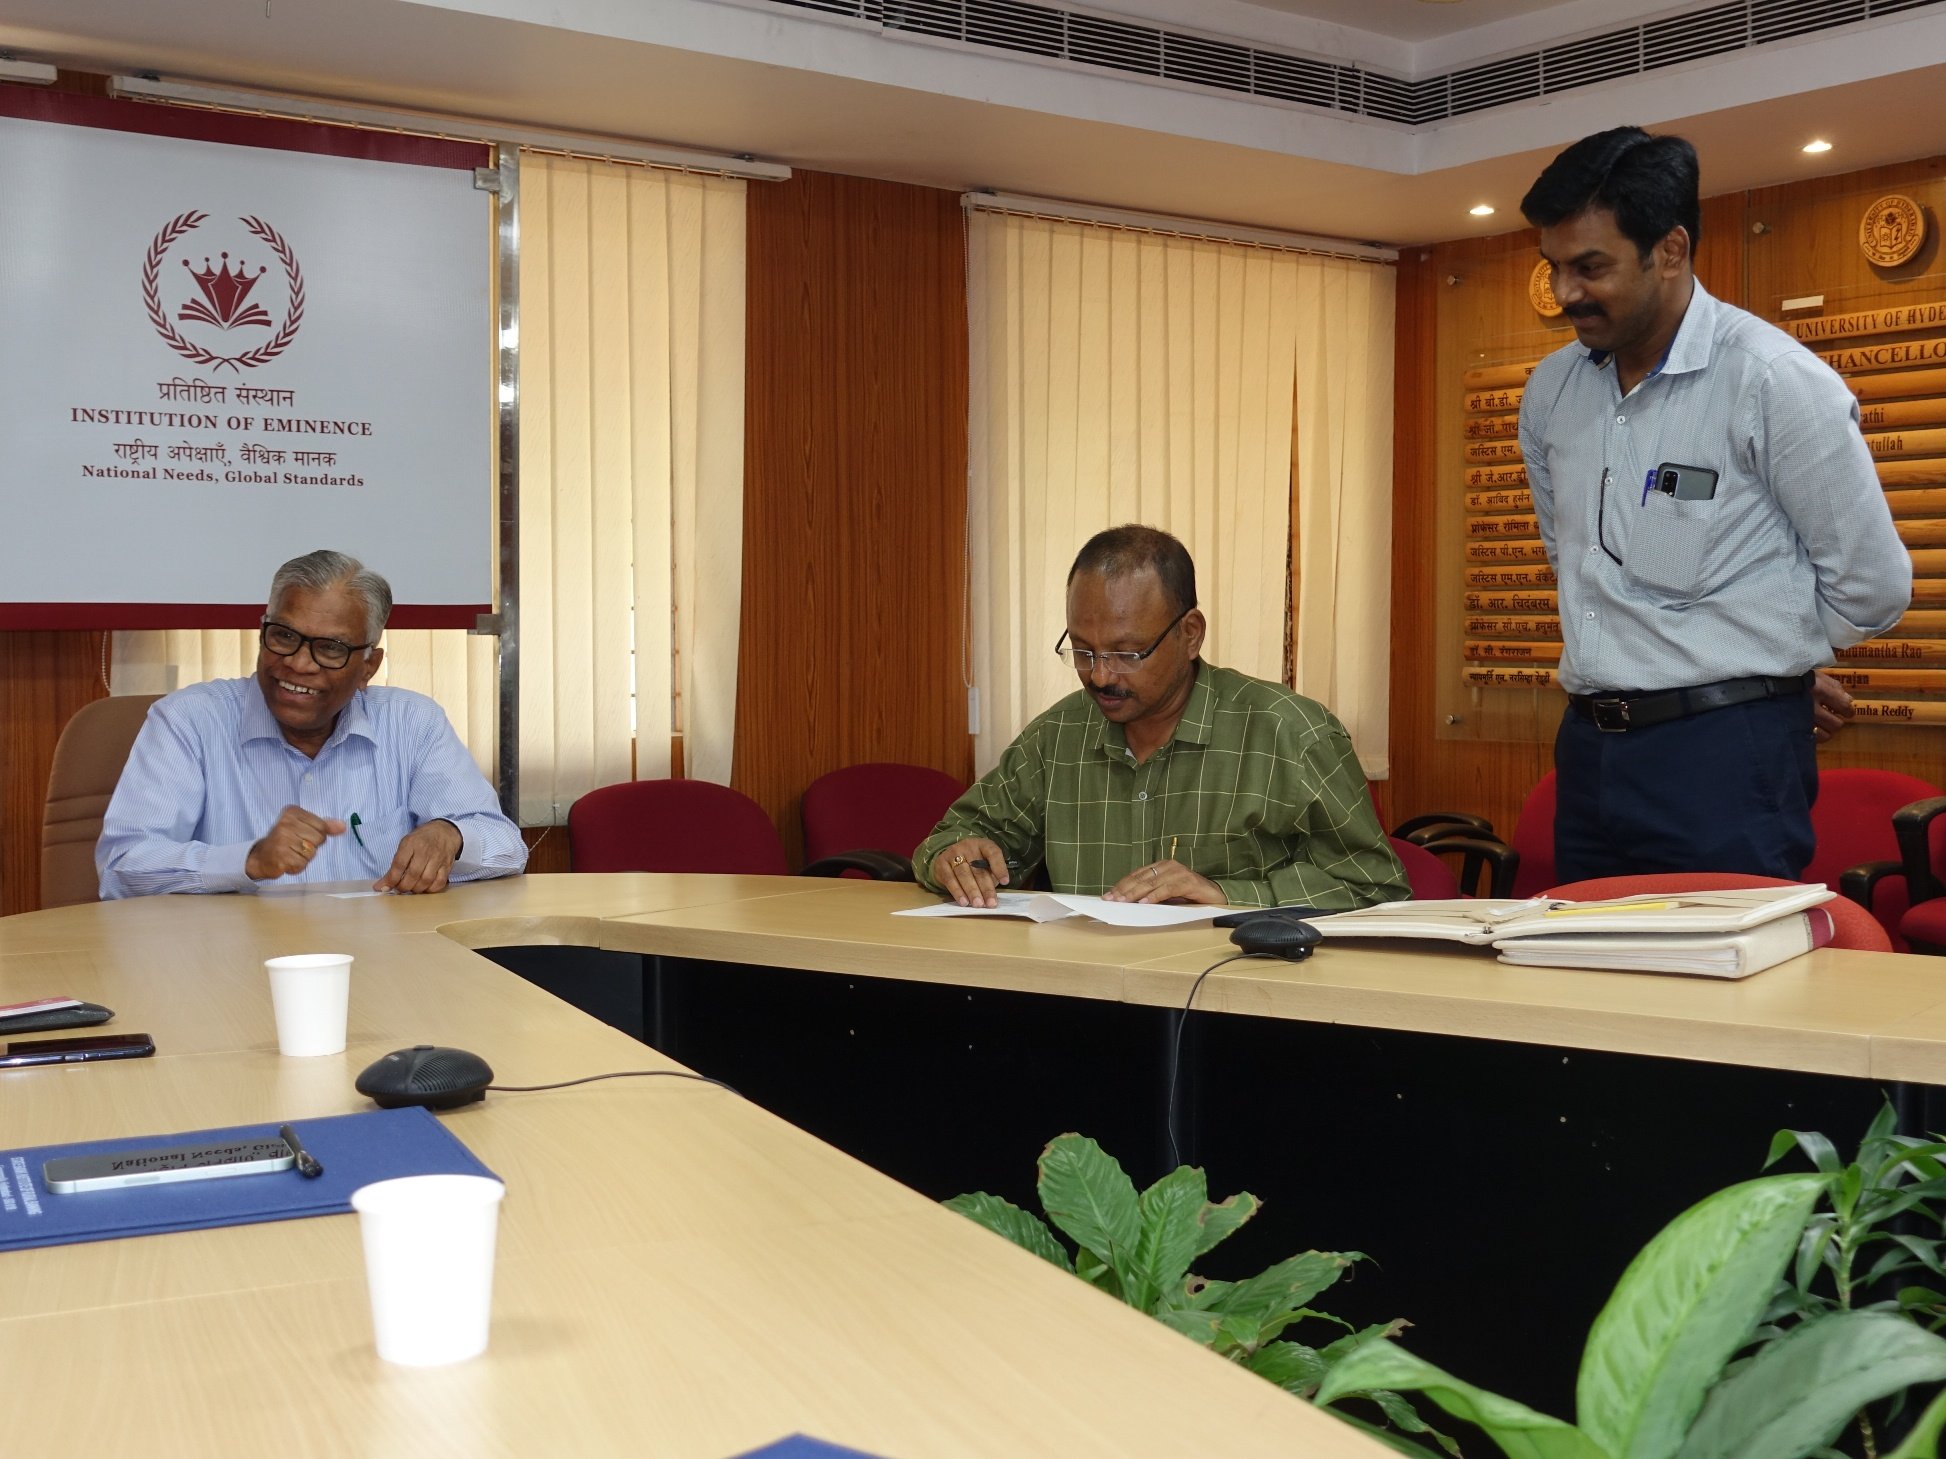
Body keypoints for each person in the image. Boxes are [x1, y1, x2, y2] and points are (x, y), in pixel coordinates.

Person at [1518, 127, 1910, 882]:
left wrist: (1765, 668)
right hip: (1589, 750)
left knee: (1722, 960)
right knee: (1584, 957)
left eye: (1590, 267)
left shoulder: (1771, 381)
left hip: (1723, 757)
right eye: (1554, 266)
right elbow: (1575, 561)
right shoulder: (1552, 390)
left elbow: (1874, 586)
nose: (1565, 293)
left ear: (1670, 250)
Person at [913, 525, 1407, 910]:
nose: (1100, 675)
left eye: (1127, 654)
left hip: (1238, 996)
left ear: (1190, 634)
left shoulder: (1290, 734)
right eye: (1083, 651)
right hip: (1084, 993)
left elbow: (1376, 886)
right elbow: (955, 838)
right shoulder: (1057, 736)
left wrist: (1226, 894)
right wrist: (954, 859)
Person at [97, 549, 528, 898]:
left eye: (331, 648)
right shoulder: (188, 721)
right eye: (284, 636)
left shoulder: (412, 723)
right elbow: (122, 867)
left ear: (368, 667)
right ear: (263, 632)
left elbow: (506, 847)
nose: (299, 664)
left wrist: (450, 835)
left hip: (381, 958)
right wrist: (248, 860)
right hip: (232, 961)